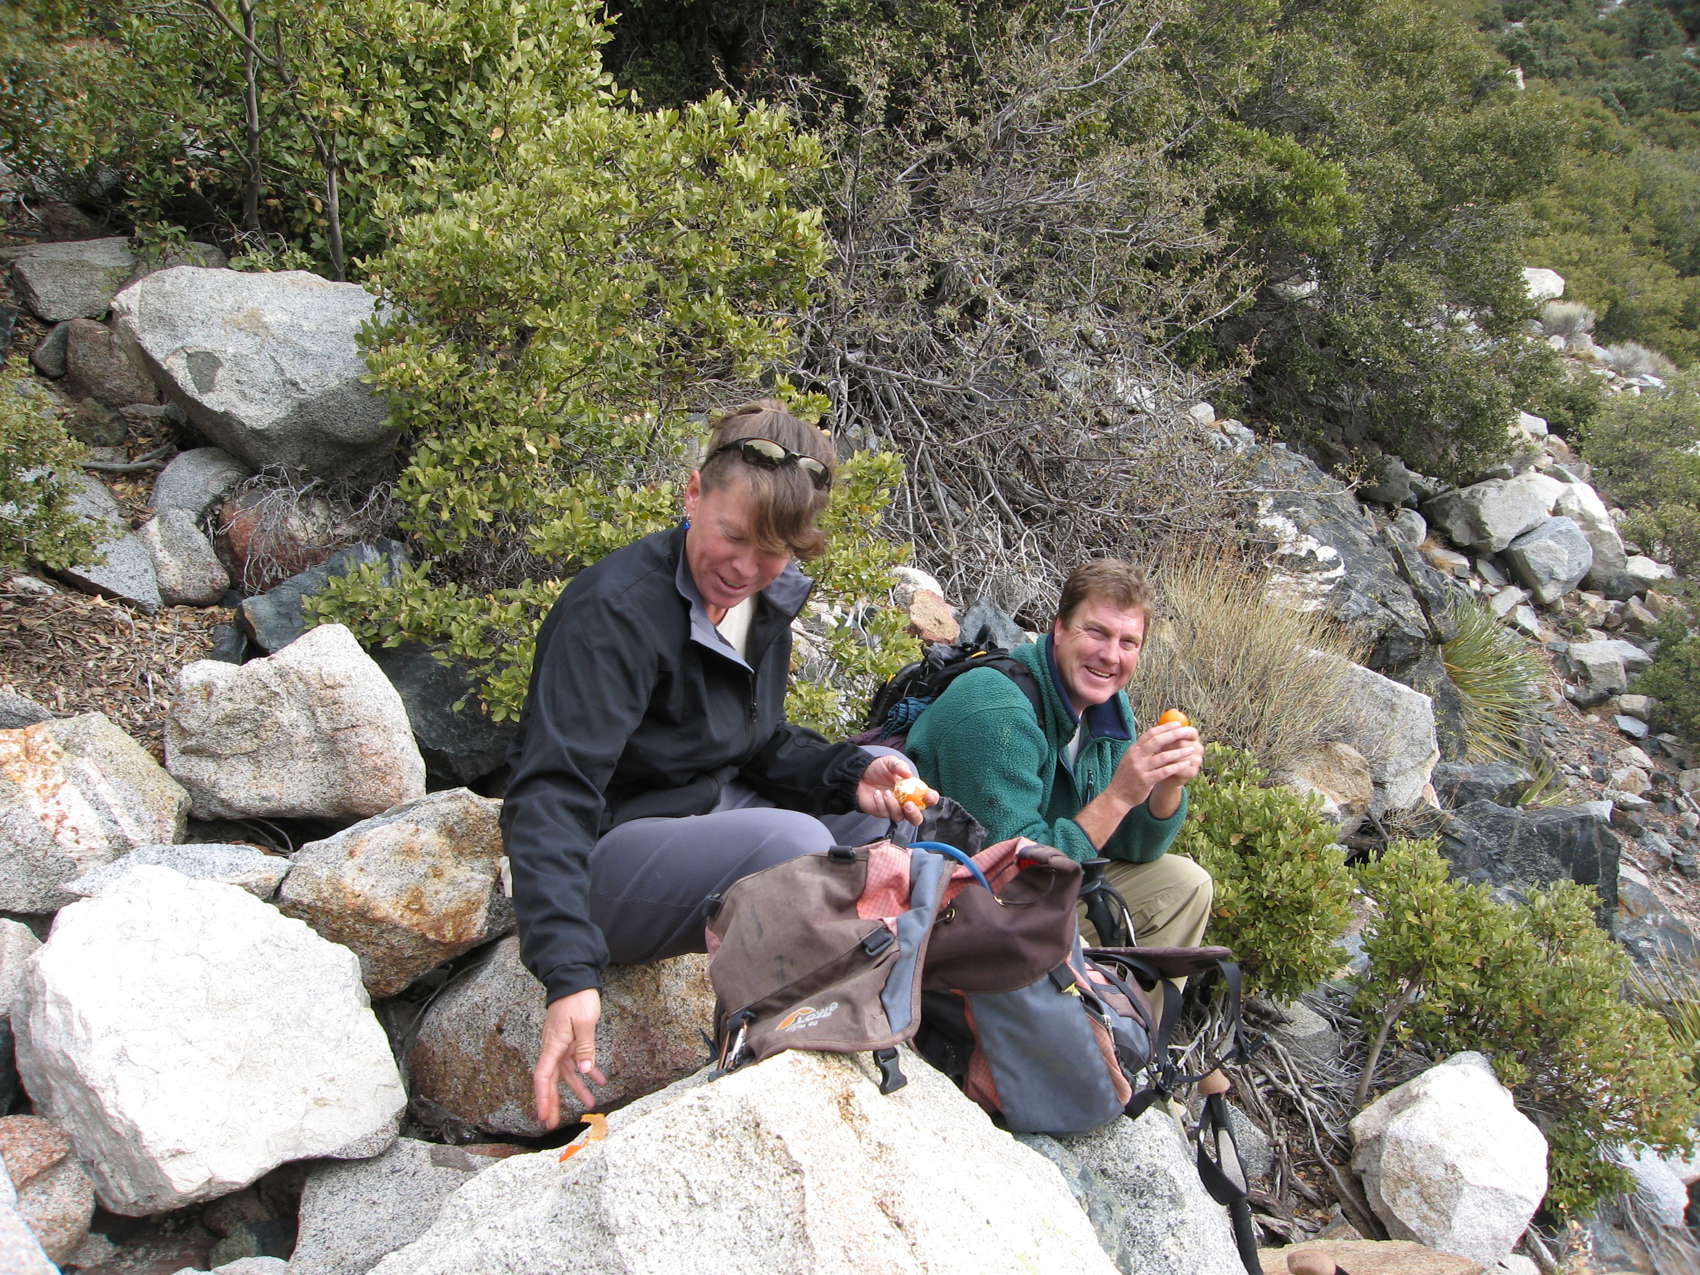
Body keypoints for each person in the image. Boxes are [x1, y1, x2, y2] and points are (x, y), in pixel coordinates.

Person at [502, 400, 935, 1129]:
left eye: (773, 552)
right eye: (732, 536)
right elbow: (550, 793)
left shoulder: (758, 601)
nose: (745, 568)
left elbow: (753, 742)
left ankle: (884, 1007)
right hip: (605, 858)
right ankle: (781, 1040)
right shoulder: (616, 611)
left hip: (702, 816)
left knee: (881, 807)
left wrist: (846, 773)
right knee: (797, 850)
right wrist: (568, 971)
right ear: (693, 493)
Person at [905, 559, 1211, 967]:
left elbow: (1136, 848)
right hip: (957, 911)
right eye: (1096, 632)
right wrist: (1119, 797)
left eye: (1128, 642)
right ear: (1060, 628)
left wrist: (1166, 784)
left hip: (1040, 888)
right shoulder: (995, 711)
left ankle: (1119, 1009)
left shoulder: (1105, 706)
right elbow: (1015, 877)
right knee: (1066, 927)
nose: (1110, 656)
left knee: (1184, 884)